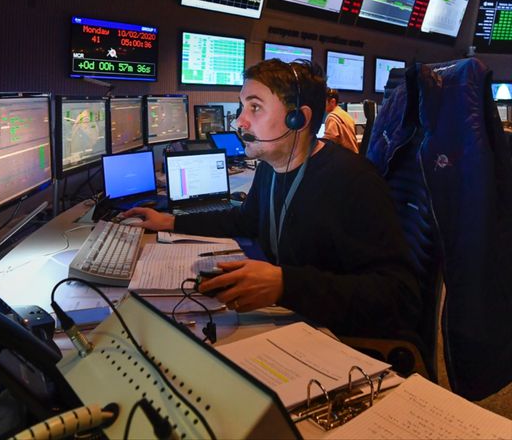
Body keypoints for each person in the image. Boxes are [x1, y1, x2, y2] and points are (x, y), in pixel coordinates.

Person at [124, 60, 420, 339]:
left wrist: (284, 285)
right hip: (289, 316)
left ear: (298, 119)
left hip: (333, 335)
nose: (240, 121)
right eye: (243, 107)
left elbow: (398, 296)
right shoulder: (271, 167)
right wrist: (171, 221)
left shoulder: (353, 181)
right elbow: (245, 220)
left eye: (255, 108)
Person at [323, 88, 359, 153]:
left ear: (332, 102)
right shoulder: (346, 115)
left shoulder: (332, 118)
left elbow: (328, 143)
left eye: (323, 102)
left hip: (344, 159)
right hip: (353, 157)